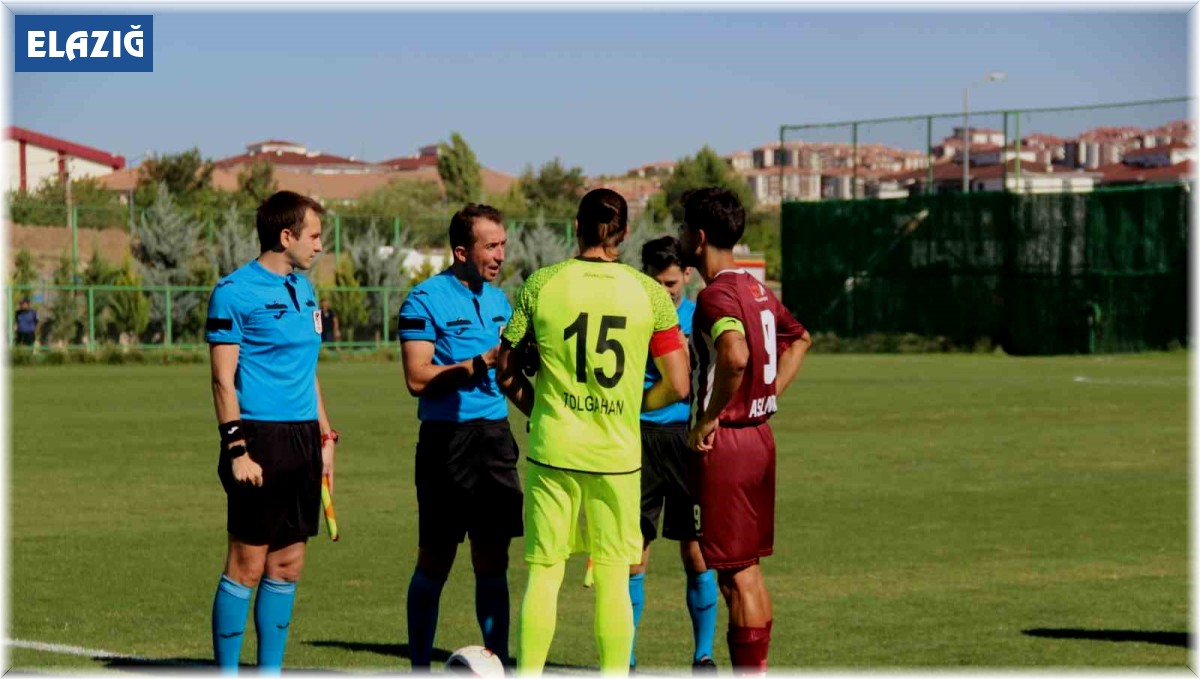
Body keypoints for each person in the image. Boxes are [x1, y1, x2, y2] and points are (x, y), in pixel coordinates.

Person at [495, 188, 691, 676]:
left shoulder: (542, 284)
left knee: (544, 572)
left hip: (553, 449)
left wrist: (538, 407)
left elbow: (505, 370)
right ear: (624, 234)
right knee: (611, 578)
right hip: (617, 456)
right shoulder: (649, 292)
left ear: (576, 227)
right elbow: (680, 383)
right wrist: (633, 406)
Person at [678, 187, 812, 675]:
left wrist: (710, 418)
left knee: (739, 576)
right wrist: (768, 393)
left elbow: (734, 355)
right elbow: (800, 339)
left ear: (698, 236)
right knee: (746, 572)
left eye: (682, 228)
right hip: (758, 438)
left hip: (730, 445)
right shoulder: (756, 289)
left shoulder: (715, 296)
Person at [206, 190, 339, 675]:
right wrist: (237, 449)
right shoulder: (233, 291)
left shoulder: (304, 289)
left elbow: (309, 370)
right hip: (258, 441)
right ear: (286, 236)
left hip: (303, 439)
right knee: (247, 565)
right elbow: (222, 379)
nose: (320, 246)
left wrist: (325, 439)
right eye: (315, 236)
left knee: (287, 568)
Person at [397, 203, 520, 668]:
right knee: (436, 561)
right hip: (446, 443)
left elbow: (508, 376)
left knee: (494, 564)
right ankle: (419, 668)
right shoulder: (423, 300)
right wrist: (476, 364)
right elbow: (416, 377)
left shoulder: (500, 301)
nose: (500, 255)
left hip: (494, 439)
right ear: (461, 251)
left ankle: (500, 666)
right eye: (491, 246)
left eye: (503, 245)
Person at [628, 236, 718, 672]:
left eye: (670, 283)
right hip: (639, 439)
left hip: (687, 441)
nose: (664, 292)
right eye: (655, 283)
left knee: (696, 552)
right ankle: (624, 660)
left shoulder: (700, 315)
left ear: (686, 275)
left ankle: (703, 656)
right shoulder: (631, 313)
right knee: (633, 555)